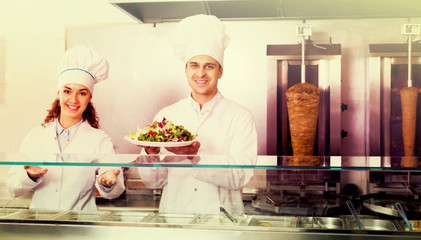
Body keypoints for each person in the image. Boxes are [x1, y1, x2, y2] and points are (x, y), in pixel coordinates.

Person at [137, 14, 257, 216]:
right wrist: (151, 154)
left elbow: (240, 176)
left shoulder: (240, 117)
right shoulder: (166, 116)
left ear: (220, 71)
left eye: (209, 66)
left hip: (221, 222)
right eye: (194, 65)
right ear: (185, 70)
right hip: (176, 220)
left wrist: (194, 157)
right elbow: (152, 182)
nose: (200, 73)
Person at [6, 46, 125, 211]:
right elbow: (13, 188)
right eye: (67, 91)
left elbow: (116, 189)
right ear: (58, 93)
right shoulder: (36, 136)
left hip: (81, 229)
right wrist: (29, 176)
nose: (74, 100)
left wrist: (108, 182)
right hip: (42, 228)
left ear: (89, 97)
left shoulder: (99, 139)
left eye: (82, 93)